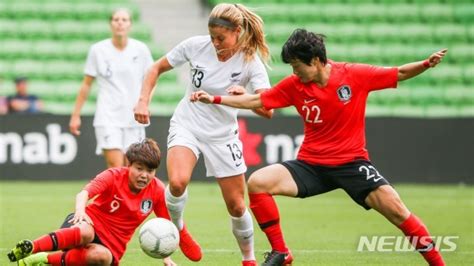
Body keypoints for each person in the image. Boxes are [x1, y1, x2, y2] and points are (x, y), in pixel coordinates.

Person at [191, 29, 448, 266]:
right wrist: (215, 98)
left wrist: (426, 64)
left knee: (398, 211)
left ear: (314, 60)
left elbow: (399, 73)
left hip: (352, 164)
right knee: (258, 182)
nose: (294, 73)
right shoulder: (295, 86)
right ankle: (281, 251)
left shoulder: (353, 75)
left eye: (296, 66)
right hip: (311, 165)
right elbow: (258, 99)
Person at [134, 3, 273, 265]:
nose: (215, 43)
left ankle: (249, 259)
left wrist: (246, 96)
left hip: (223, 137)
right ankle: (178, 230)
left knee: (237, 206)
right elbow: (155, 69)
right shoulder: (195, 45)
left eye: (221, 38)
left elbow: (268, 110)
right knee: (177, 182)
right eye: (212, 37)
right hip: (187, 124)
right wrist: (143, 101)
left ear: (238, 31)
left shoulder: (250, 61)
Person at [6, 138, 200, 266]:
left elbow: (165, 227)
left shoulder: (157, 190)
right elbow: (84, 193)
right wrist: (80, 212)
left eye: (149, 171)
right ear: (129, 165)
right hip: (84, 225)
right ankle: (32, 246)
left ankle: (42, 260)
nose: (144, 175)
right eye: (139, 169)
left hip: (111, 246)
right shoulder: (113, 175)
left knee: (101, 258)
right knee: (86, 232)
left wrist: (165, 256)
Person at [69, 8, 154, 168]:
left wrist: (145, 103)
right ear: (110, 24)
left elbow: (151, 80)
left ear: (130, 25)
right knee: (115, 167)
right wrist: (75, 115)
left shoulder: (141, 49)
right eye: (116, 19)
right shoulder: (98, 50)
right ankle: (114, 194)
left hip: (133, 118)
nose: (120, 23)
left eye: (124, 20)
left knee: (131, 167)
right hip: (107, 116)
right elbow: (86, 84)